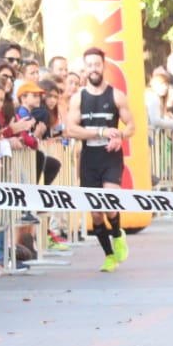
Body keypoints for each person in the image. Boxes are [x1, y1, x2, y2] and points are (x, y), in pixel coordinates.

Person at [65, 46, 135, 273]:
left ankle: (117, 233)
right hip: (89, 157)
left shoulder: (116, 95)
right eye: (89, 66)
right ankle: (109, 256)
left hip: (110, 156)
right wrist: (100, 132)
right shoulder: (78, 98)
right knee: (95, 212)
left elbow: (132, 125)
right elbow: (71, 129)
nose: (93, 69)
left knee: (109, 200)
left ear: (103, 67)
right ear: (84, 69)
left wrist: (120, 136)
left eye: (97, 65)